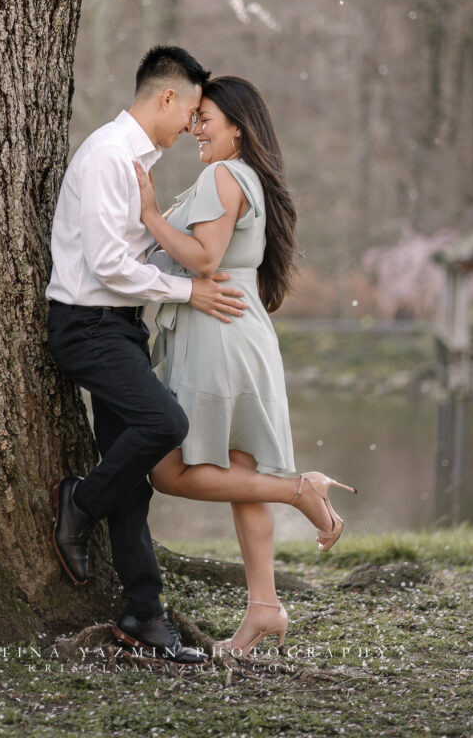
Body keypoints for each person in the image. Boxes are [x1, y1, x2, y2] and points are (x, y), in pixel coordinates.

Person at [133, 75, 356, 657]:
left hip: (218, 336)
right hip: (235, 330)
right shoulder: (245, 176)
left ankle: (297, 489)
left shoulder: (222, 175)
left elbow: (205, 257)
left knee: (166, 472)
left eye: (204, 117)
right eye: (194, 116)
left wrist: (153, 214)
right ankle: (264, 606)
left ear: (237, 125)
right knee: (238, 469)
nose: (194, 126)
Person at [45, 46, 248, 664]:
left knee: (133, 482)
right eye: (191, 108)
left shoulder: (138, 161)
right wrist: (189, 289)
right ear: (166, 97)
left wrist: (186, 256)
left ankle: (145, 616)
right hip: (88, 327)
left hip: (119, 328)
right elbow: (108, 267)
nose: (193, 123)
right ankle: (79, 503)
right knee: (165, 425)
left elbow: (133, 256)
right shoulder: (110, 155)